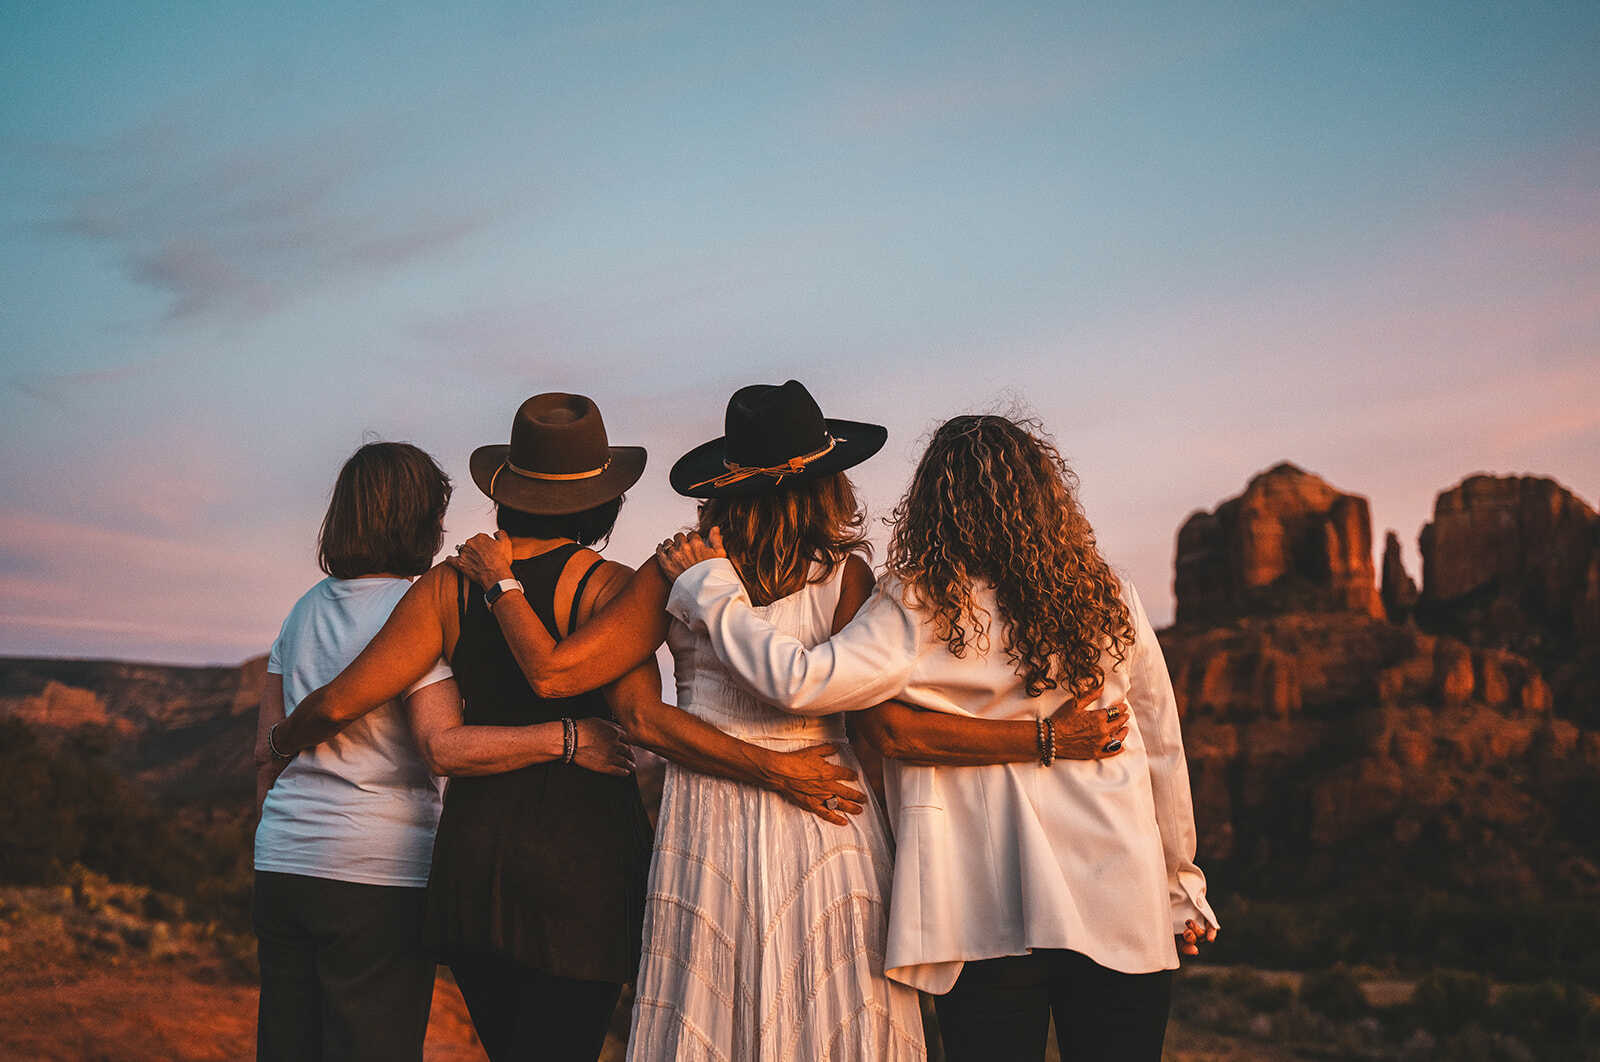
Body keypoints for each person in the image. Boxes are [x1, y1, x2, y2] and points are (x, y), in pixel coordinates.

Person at [449, 383, 1130, 1061]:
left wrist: (501, 584)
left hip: (709, 814)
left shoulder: (678, 568)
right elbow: (877, 728)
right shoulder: (847, 575)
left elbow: (618, 705)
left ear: (722, 482)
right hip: (827, 808)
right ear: (829, 486)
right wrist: (787, 773)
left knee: (715, 1008)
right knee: (831, 1012)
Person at [268, 393, 865, 1062]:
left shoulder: (447, 586)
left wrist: (279, 744)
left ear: (507, 492)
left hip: (475, 863)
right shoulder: (611, 586)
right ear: (602, 502)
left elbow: (350, 697)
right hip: (582, 865)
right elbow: (640, 718)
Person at [656, 413, 1219, 1062]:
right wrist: (1182, 886)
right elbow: (1161, 749)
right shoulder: (1105, 595)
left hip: (982, 905)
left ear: (933, 503)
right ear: (1045, 496)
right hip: (1119, 890)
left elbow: (801, 683)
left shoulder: (916, 601)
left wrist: (710, 587)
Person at [251, 441, 453, 1062]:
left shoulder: (302, 609)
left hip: (284, 858)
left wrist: (276, 830)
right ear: (419, 519)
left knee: (288, 1046)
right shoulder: (419, 611)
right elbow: (439, 746)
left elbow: (266, 749)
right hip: (378, 868)